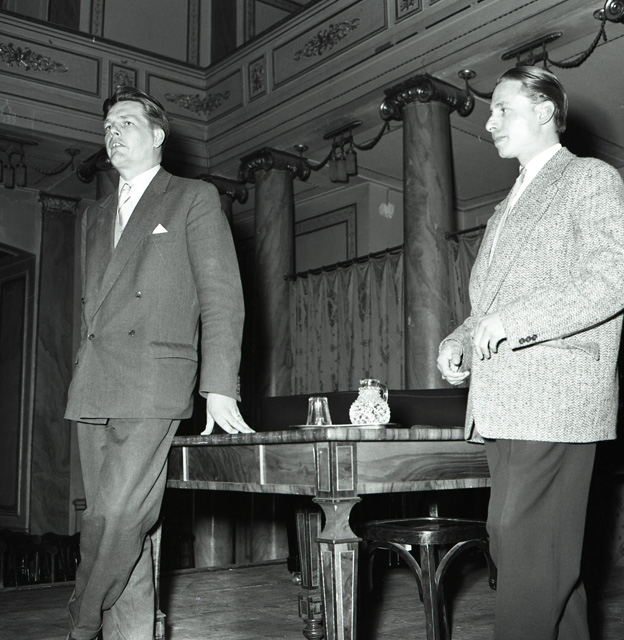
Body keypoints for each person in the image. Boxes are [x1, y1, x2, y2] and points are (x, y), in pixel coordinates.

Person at [437, 66, 624, 640]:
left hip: (557, 396)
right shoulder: (506, 206)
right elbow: (491, 305)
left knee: (526, 548)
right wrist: (460, 339)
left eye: (503, 109)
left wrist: (511, 323)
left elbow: (611, 279)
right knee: (530, 550)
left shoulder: (589, 178)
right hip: (503, 401)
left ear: (545, 112)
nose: (489, 122)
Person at [64, 86, 253, 640]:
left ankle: (80, 622)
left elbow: (221, 296)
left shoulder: (192, 196)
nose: (112, 133)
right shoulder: (95, 215)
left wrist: (220, 385)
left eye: (125, 122)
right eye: (107, 127)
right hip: (95, 383)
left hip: (153, 380)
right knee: (119, 524)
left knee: (119, 513)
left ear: (158, 134)